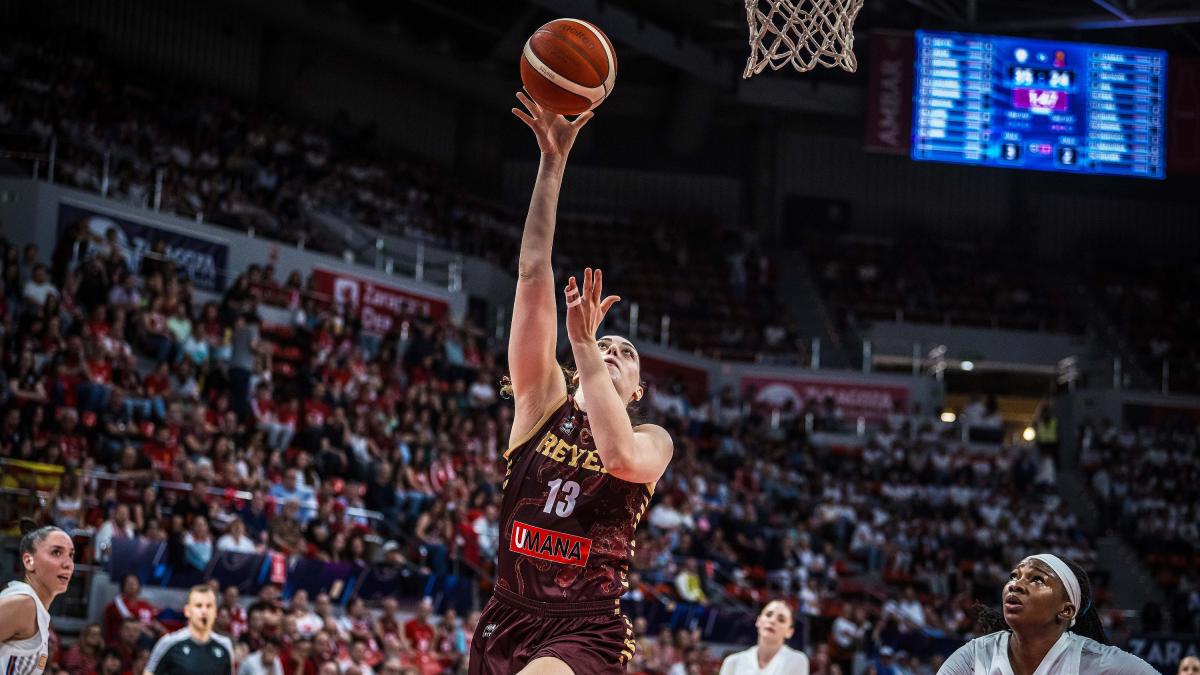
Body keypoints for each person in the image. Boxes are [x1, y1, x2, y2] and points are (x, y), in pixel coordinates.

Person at [468, 92, 673, 675]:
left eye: (625, 353)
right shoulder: (538, 407)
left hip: (587, 627)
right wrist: (552, 164)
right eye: (606, 342)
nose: (612, 349)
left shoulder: (654, 440)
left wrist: (584, 345)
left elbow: (617, 453)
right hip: (506, 616)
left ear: (636, 392)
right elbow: (533, 270)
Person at [938, 554, 1156, 674]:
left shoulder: (1101, 663)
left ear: (1066, 610)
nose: (1015, 585)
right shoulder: (975, 657)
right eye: (1014, 576)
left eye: (1037, 580)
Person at [0, 524, 75, 675]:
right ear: (29, 561)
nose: (68, 564)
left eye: (71, 555)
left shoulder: (37, 609)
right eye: (56, 552)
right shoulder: (24, 603)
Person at [144, 585, 234, 675]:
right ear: (187, 611)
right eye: (198, 606)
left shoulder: (225, 645)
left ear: (215, 612)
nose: (204, 611)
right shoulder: (169, 642)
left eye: (209, 606)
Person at [719, 600, 809, 675]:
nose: (772, 621)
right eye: (768, 615)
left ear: (789, 632)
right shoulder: (732, 662)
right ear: (758, 621)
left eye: (781, 620)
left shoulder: (797, 660)